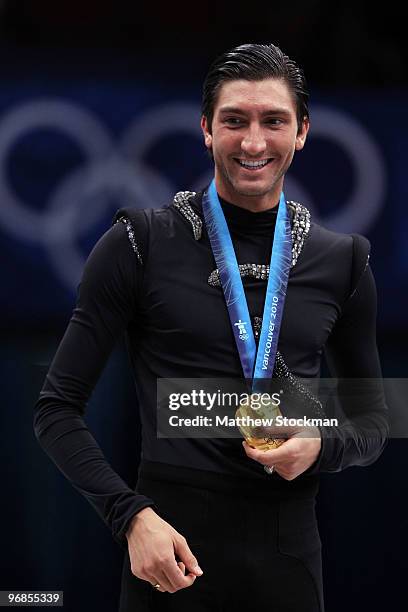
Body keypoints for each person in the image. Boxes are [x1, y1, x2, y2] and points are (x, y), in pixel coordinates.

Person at [34, 43, 388, 612]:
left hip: (288, 567)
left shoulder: (342, 261)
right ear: (205, 129)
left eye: (274, 121)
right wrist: (131, 517)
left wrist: (324, 444)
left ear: (302, 132)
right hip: (167, 558)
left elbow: (375, 417)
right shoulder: (138, 244)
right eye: (234, 121)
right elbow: (55, 409)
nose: (253, 143)